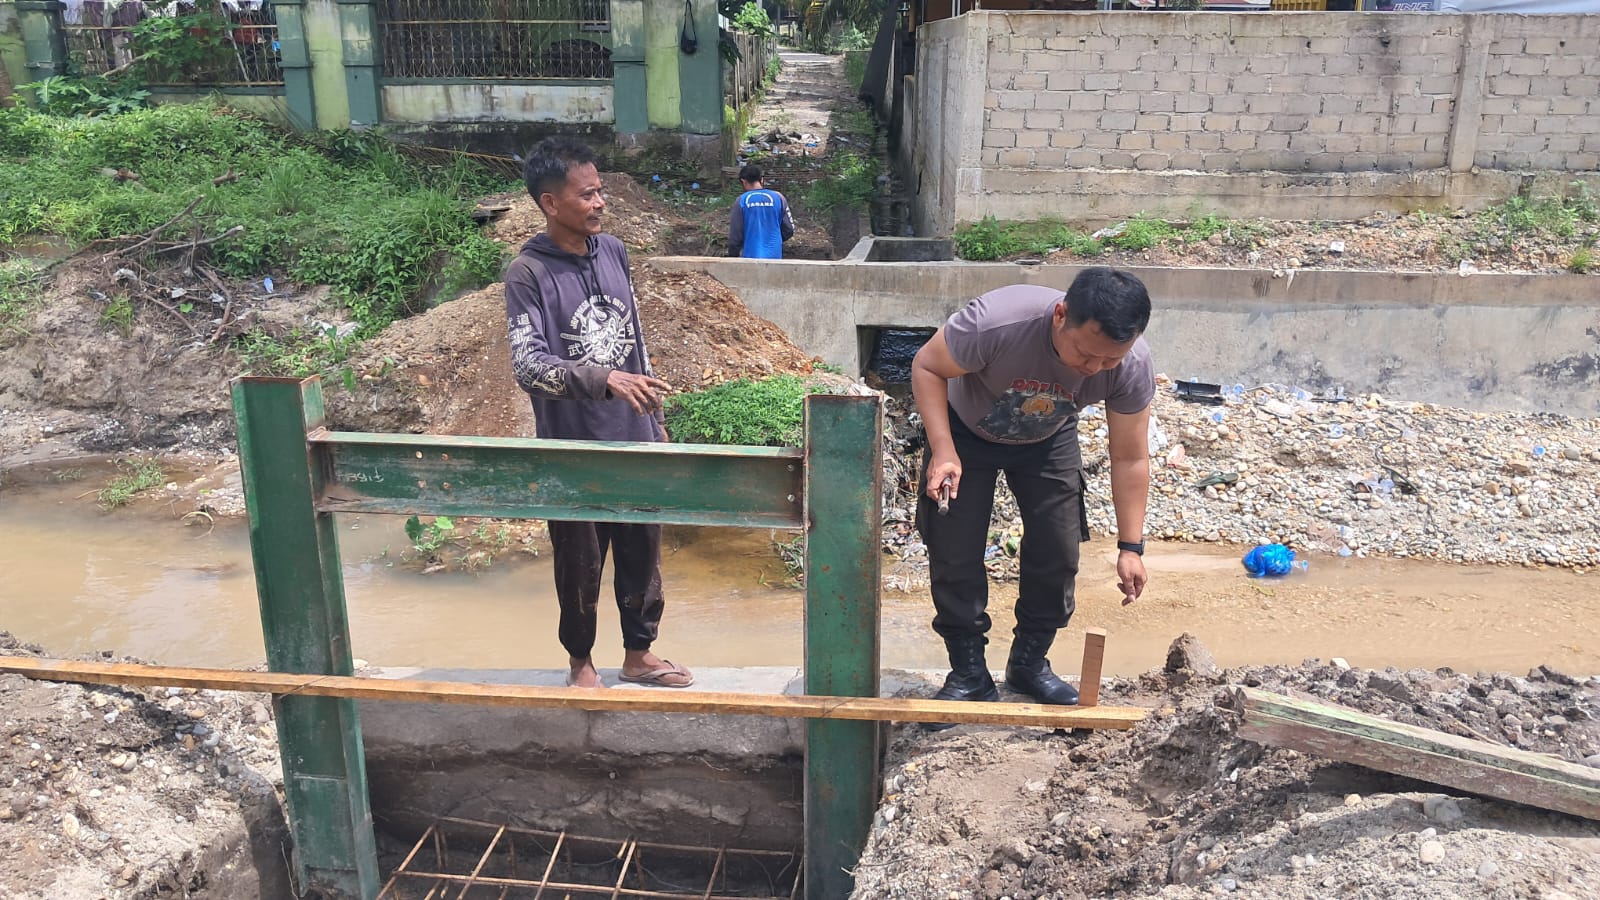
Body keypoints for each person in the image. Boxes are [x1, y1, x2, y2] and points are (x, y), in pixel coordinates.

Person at [910, 268, 1155, 707]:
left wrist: (1131, 547)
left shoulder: (1132, 365)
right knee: (955, 550)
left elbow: (1131, 457)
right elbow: (927, 365)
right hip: (965, 433)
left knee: (1058, 552)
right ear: (1061, 316)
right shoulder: (999, 322)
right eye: (1085, 354)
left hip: (1049, 438)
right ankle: (968, 672)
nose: (1094, 368)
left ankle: (1029, 664)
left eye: (1109, 361)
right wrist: (943, 449)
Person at [504, 136, 693, 690]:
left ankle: (639, 655)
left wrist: (652, 416)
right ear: (549, 202)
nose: (600, 203)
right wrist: (602, 378)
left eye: (601, 191)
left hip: (632, 438)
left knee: (642, 551)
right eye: (587, 195)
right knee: (579, 562)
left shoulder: (613, 251)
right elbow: (528, 366)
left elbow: (633, 336)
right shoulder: (528, 274)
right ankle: (581, 665)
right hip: (573, 447)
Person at [728, 164, 795, 259]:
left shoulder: (741, 201)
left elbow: (735, 236)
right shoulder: (779, 198)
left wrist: (733, 256)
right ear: (762, 179)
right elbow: (789, 229)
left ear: (743, 181)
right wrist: (774, 240)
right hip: (775, 260)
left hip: (750, 260)